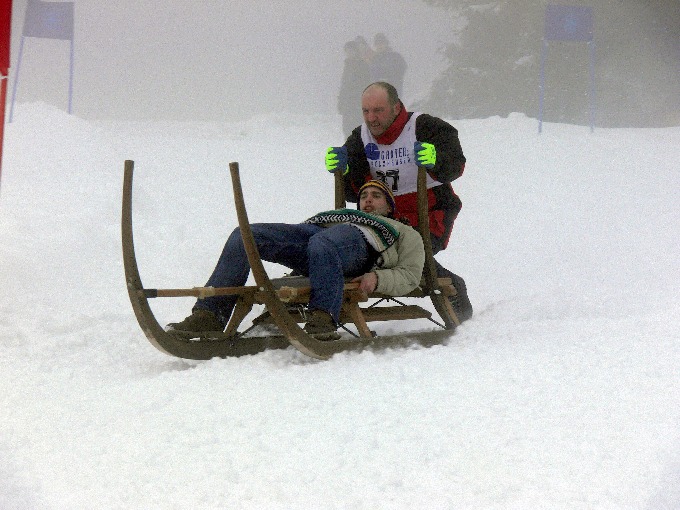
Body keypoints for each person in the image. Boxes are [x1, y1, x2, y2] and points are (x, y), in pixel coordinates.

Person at [168, 180, 425, 338]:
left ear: (389, 207)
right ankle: (210, 314)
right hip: (318, 242)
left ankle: (323, 315)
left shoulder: (403, 232)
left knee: (322, 242)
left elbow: (411, 275)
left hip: (358, 252)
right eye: (364, 196)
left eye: (376, 196)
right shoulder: (340, 217)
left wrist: (378, 278)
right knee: (244, 235)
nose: (368, 199)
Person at [324, 81, 473, 322]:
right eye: (366, 111)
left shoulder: (425, 127)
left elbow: (456, 165)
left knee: (406, 253)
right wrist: (343, 170)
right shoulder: (360, 137)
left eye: (378, 110)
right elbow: (354, 192)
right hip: (383, 219)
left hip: (428, 214)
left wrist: (436, 160)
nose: (371, 118)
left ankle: (452, 288)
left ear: (396, 108)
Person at [337, 40, 371, 138]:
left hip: (358, 102)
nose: (349, 53)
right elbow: (344, 85)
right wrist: (341, 101)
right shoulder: (347, 66)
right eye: (347, 51)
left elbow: (366, 84)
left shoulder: (363, 65)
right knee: (347, 128)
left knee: (358, 127)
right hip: (348, 103)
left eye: (351, 51)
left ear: (356, 51)